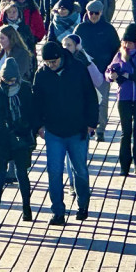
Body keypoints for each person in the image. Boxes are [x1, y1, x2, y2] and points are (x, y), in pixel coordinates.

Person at [33, 41, 99, 225]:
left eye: (53, 62)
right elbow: (36, 101)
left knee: (80, 171)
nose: (51, 65)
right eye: (47, 62)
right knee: (54, 172)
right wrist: (38, 126)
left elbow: (90, 96)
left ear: (61, 57)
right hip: (54, 132)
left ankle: (83, 205)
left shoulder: (77, 69)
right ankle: (58, 212)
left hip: (78, 130)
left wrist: (91, 123)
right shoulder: (42, 74)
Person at [0, 59, 36, 225]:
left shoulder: (25, 88)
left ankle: (27, 208)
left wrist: (32, 135)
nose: (9, 83)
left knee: (22, 173)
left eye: (12, 80)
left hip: (21, 135)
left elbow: (32, 113)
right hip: (1, 136)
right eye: (7, 80)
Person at [107, 25, 136, 177]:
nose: (127, 45)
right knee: (125, 132)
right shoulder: (120, 55)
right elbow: (108, 71)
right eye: (124, 42)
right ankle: (124, 166)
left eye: (130, 42)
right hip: (124, 97)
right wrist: (111, 75)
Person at [75, 0, 120, 142]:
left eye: (97, 13)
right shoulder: (80, 29)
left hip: (102, 70)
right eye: (91, 13)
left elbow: (117, 50)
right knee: (83, 99)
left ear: (101, 13)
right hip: (84, 71)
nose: (94, 16)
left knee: (102, 101)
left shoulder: (108, 29)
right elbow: (74, 49)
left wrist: (112, 67)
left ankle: (100, 129)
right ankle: (86, 126)